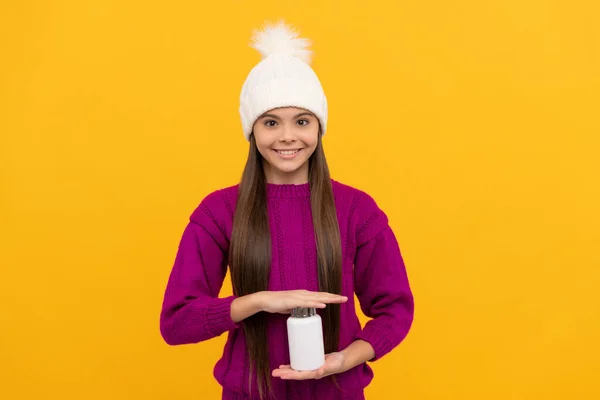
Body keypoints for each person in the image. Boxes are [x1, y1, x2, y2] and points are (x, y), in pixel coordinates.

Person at [159, 20, 414, 400]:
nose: (287, 137)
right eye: (271, 122)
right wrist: (260, 300)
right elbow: (178, 323)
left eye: (302, 121)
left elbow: (395, 310)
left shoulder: (357, 210)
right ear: (252, 130)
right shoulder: (218, 212)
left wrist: (344, 360)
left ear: (319, 127)